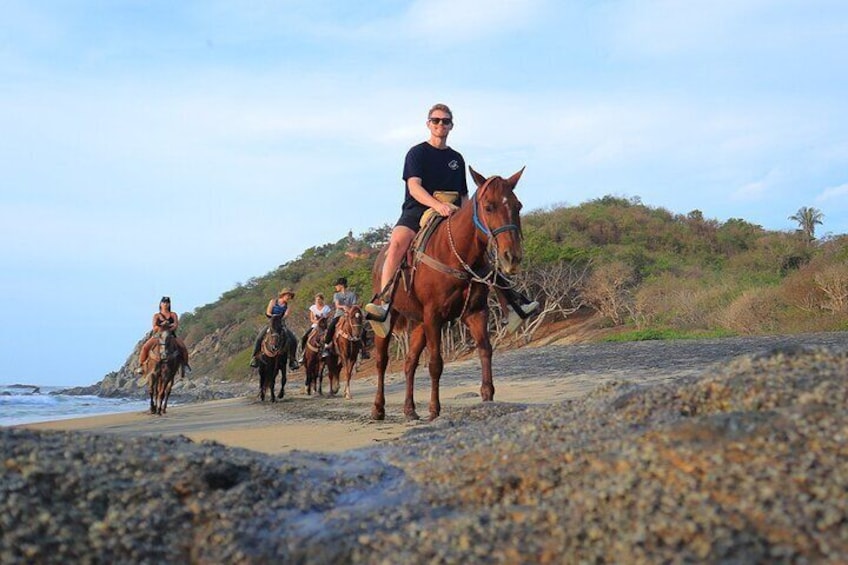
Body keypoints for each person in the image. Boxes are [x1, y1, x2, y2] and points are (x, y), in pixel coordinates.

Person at [364, 103, 538, 335]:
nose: (440, 124)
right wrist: (437, 205)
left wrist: (469, 220)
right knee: (396, 244)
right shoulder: (417, 153)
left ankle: (514, 305)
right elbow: (414, 187)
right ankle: (384, 304)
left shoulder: (456, 158)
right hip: (418, 210)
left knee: (481, 252)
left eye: (445, 121)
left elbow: (465, 197)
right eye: (436, 120)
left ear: (451, 126)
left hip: (454, 212)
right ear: (428, 124)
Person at [137, 297, 190, 374]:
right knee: (145, 347)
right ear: (160, 304)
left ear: (169, 304)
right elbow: (154, 327)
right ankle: (141, 365)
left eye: (167, 303)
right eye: (164, 303)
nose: (165, 304)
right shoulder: (156, 316)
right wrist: (161, 325)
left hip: (171, 335)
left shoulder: (173, 314)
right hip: (158, 335)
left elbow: (175, 325)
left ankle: (185, 365)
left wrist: (168, 328)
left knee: (183, 348)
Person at [249, 288, 297, 370]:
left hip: (281, 324)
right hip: (271, 323)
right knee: (259, 338)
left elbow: (286, 315)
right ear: (283, 295)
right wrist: (273, 317)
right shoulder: (273, 301)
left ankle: (292, 360)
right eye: (287, 295)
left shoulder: (288, 306)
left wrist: (280, 318)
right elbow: (268, 312)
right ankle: (255, 358)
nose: (289, 297)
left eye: (290, 296)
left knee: (293, 339)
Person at [322, 277, 357, 357]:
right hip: (339, 314)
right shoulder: (337, 295)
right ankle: (326, 346)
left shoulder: (352, 294)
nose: (336, 287)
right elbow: (337, 305)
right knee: (331, 327)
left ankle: (363, 347)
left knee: (360, 325)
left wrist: (350, 310)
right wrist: (344, 307)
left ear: (341, 285)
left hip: (350, 314)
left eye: (337, 285)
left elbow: (354, 305)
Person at [297, 293, 332, 363]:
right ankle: (303, 354)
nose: (317, 301)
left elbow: (328, 317)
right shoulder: (313, 307)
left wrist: (322, 321)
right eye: (316, 300)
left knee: (328, 337)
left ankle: (326, 351)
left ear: (322, 300)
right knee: (305, 337)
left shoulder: (326, 308)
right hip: (315, 325)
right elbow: (311, 319)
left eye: (319, 299)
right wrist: (317, 322)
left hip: (323, 326)